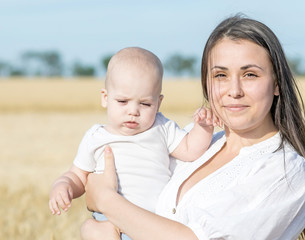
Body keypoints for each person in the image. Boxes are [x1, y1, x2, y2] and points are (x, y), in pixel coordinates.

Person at [83, 15, 305, 240]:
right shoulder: (194, 144)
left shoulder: (284, 171)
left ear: (276, 84)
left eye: (250, 74)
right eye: (220, 75)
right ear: (207, 83)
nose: (234, 91)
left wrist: (107, 201)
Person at [48, 47, 219, 240]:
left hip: (153, 224)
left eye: (145, 104)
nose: (133, 111)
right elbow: (78, 176)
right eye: (122, 101)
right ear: (105, 98)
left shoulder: (161, 127)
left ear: (158, 103)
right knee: (95, 230)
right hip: (109, 221)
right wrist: (63, 185)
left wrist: (204, 127)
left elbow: (190, 150)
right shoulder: (96, 137)